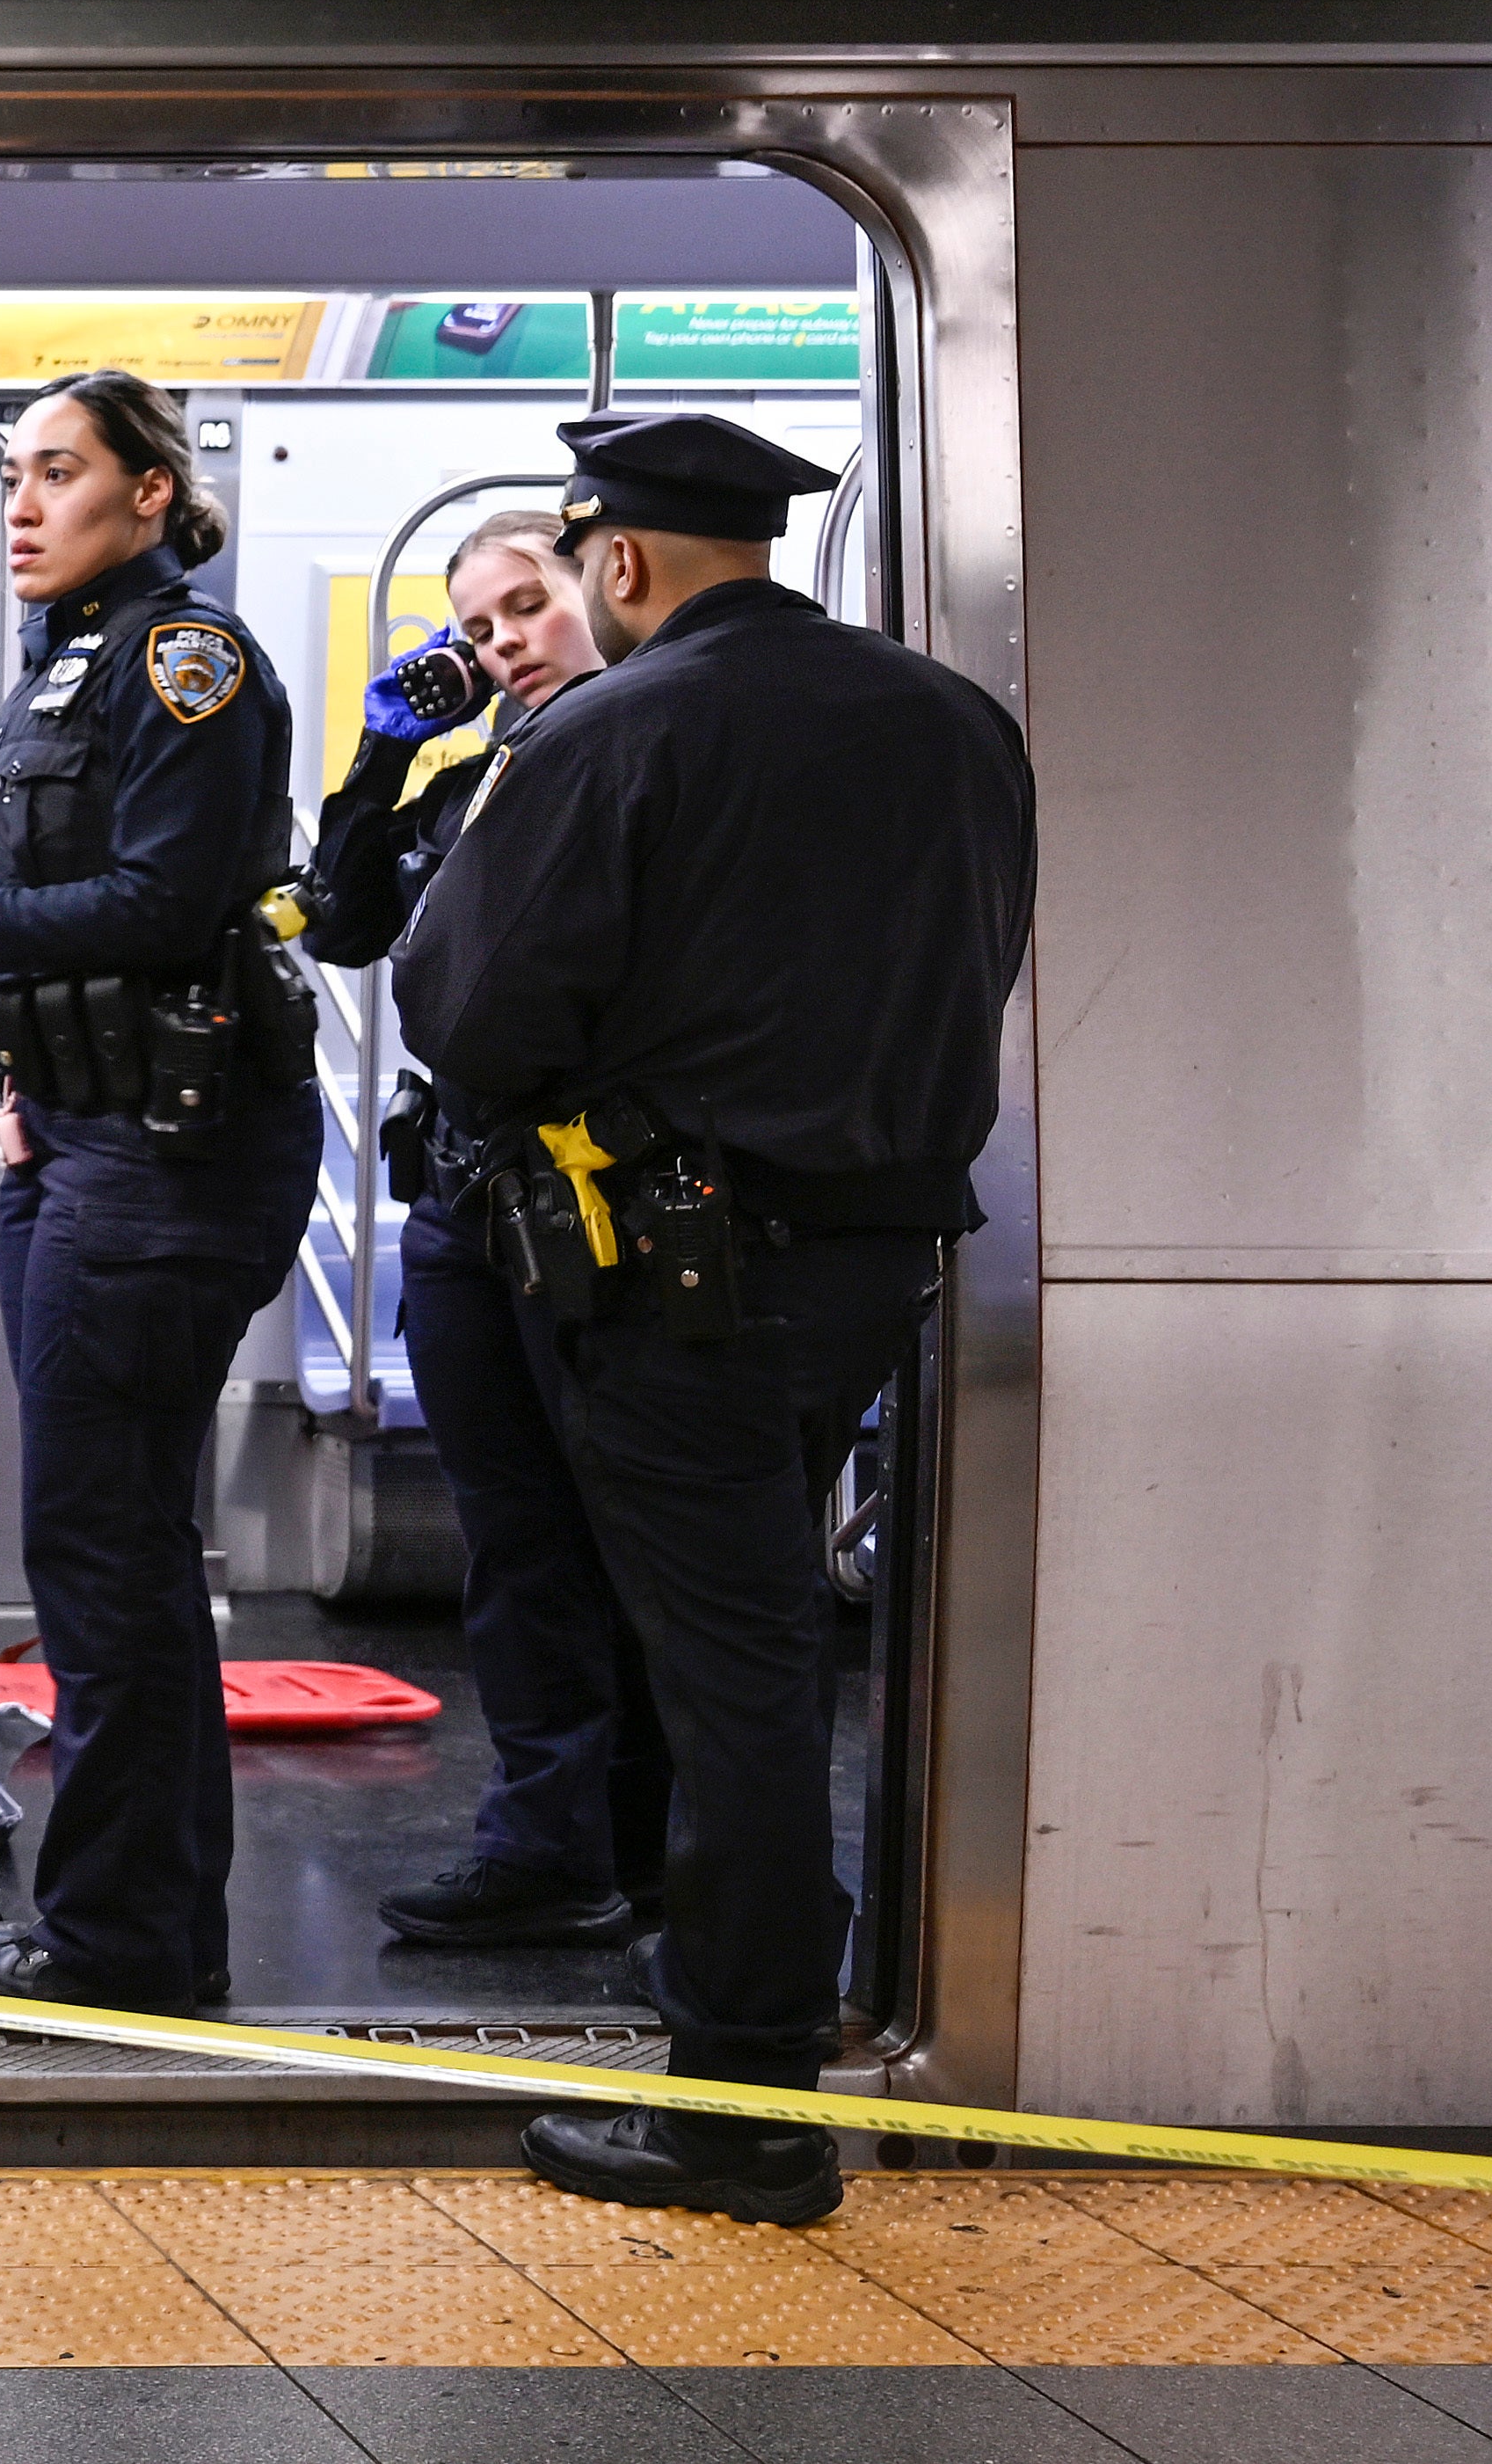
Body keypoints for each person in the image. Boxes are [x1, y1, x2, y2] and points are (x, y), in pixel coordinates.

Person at [395, 410, 1034, 2227]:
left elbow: (468, 1007)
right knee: (754, 1633)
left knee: (730, 1659)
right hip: (868, 1255)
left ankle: (739, 2099)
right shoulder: (951, 721)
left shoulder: (612, 725)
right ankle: (758, 2025)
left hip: (676, 1271)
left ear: (616, 560)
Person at [0, 371, 316, 2018]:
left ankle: (120, 1952)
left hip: (167, 1163)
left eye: (57, 472)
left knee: (103, 1559)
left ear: (149, 494)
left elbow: (167, 907)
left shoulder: (185, 662)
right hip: (87, 1142)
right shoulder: (68, 670)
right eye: (10, 476)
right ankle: (142, 1935)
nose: (18, 504)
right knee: (108, 1553)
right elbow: (77, 901)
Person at [295, 512, 668, 1958]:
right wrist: (383, 754)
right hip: (464, 1203)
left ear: (604, 591)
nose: (504, 641)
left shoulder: (642, 759)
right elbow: (337, 922)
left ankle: (640, 1841)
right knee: (512, 1539)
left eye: (527, 605)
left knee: (622, 1531)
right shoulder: (468, 782)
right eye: (476, 628)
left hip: (598, 1207)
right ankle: (544, 1841)